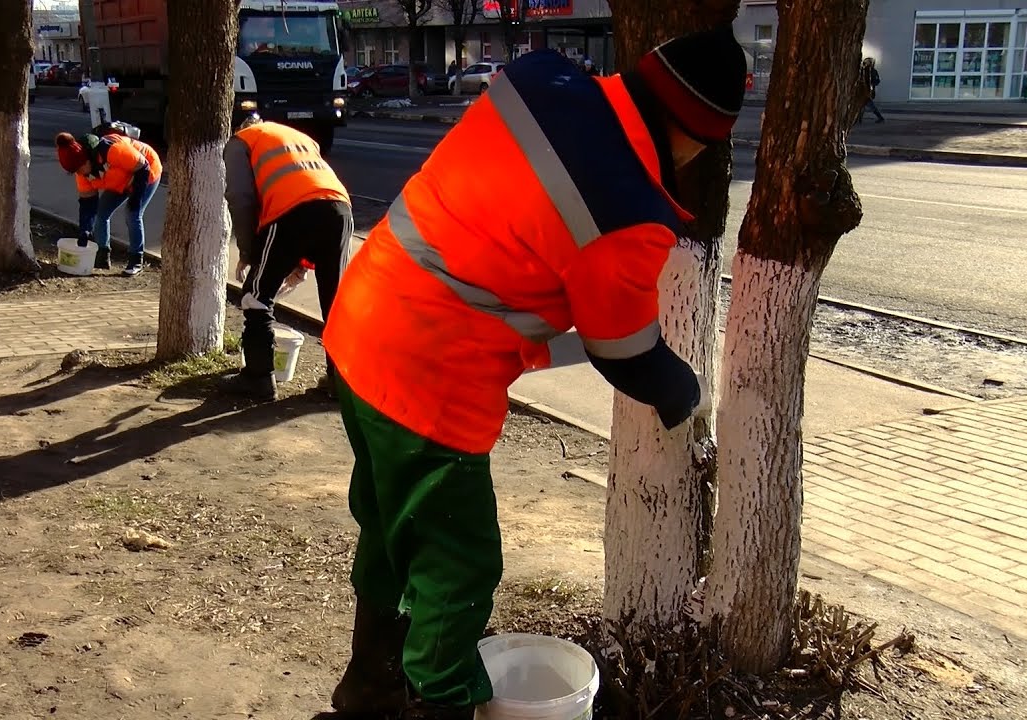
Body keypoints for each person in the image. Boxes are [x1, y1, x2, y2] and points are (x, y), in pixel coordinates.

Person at [315, 26, 747, 720]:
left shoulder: (538, 79)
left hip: (360, 323)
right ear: (696, 137)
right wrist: (687, 394)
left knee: (391, 524)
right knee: (457, 564)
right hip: (428, 377)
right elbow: (626, 352)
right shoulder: (626, 214)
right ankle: (438, 702)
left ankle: (367, 690)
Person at [221, 114, 353, 401]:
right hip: (340, 209)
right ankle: (340, 384)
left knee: (255, 296)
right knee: (336, 303)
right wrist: (302, 263)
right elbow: (309, 191)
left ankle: (258, 378)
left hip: (292, 212)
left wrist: (247, 252)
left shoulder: (240, 141)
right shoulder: (299, 138)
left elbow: (241, 197)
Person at [55, 130, 162, 275]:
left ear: (87, 159)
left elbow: (143, 167)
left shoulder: (113, 151)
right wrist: (84, 231)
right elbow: (88, 206)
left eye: (79, 168)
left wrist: (136, 198)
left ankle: (136, 260)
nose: (79, 173)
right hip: (120, 180)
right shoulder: (81, 175)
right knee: (101, 213)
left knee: (132, 213)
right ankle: (102, 256)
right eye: (75, 171)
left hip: (146, 172)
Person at [861, 57, 884, 123]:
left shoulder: (870, 71)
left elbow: (877, 81)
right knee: (866, 105)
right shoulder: (865, 70)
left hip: (867, 91)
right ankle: (880, 117)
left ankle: (880, 117)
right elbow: (877, 81)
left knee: (870, 105)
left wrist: (872, 85)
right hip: (866, 91)